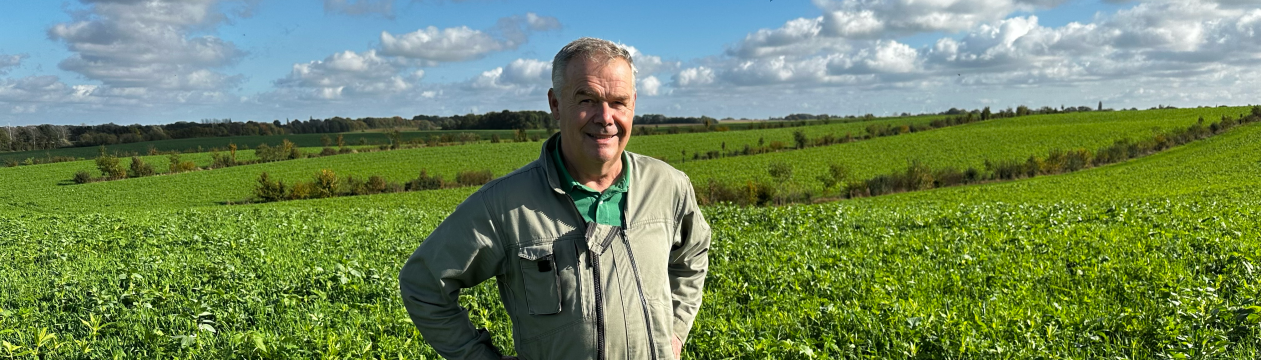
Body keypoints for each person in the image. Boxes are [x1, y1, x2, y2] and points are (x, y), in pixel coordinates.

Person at [398, 37, 711, 360]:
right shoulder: (504, 204)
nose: (605, 117)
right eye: (587, 99)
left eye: (618, 102)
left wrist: (674, 332)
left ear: (633, 104)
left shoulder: (668, 186)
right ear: (556, 104)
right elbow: (423, 284)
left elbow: (692, 255)